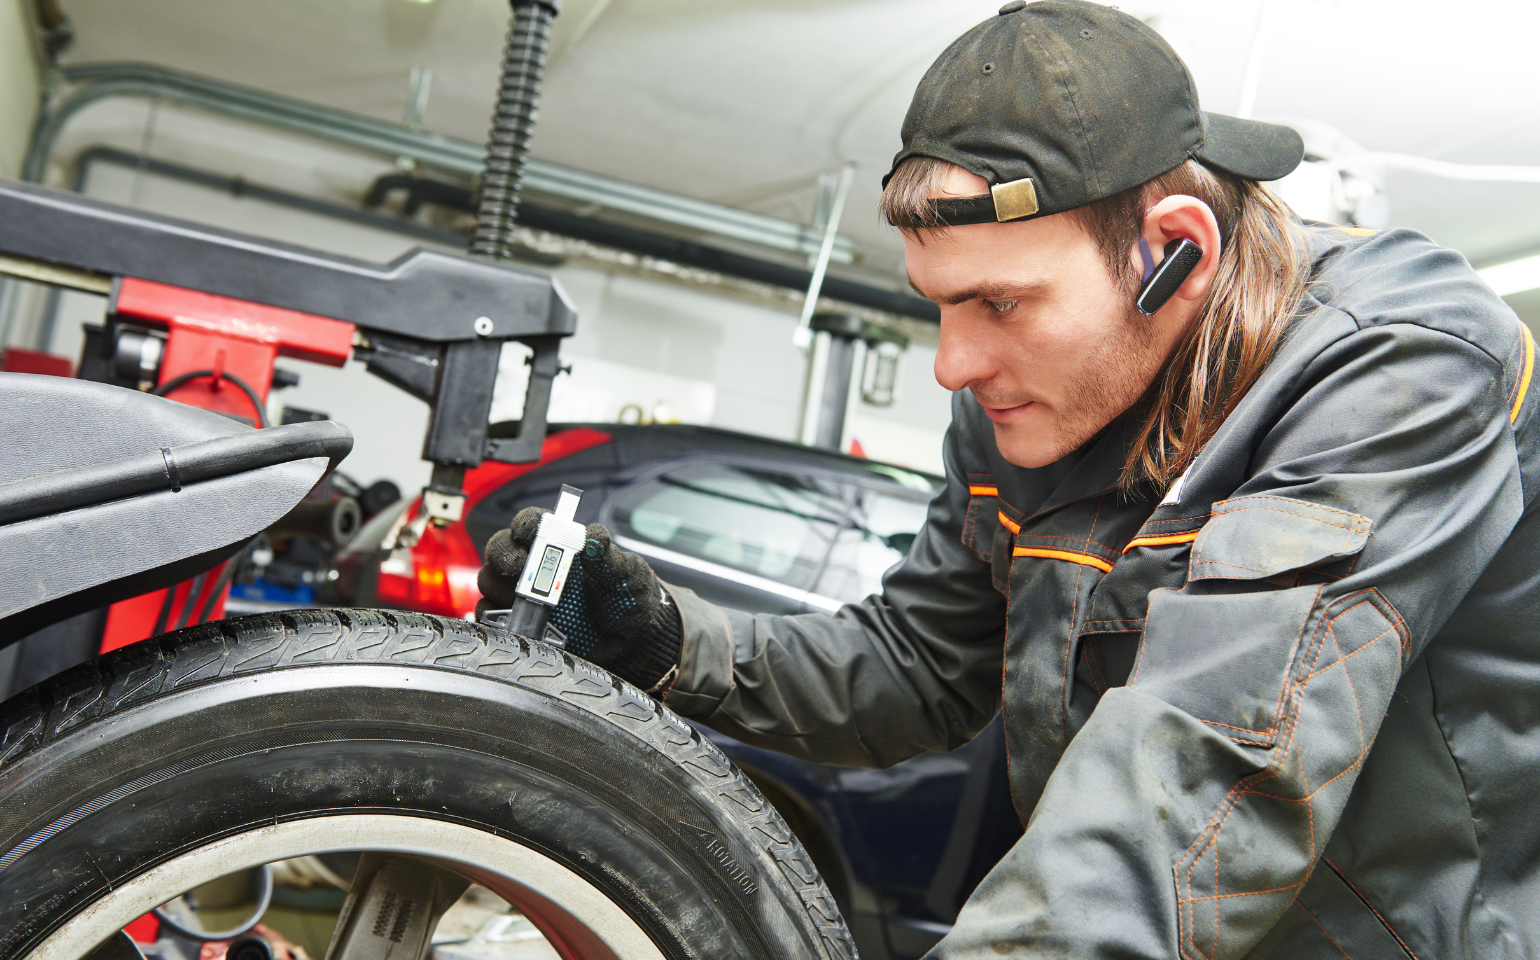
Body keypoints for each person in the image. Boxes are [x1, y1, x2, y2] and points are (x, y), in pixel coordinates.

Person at [478, 2, 1540, 955]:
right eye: (939, 306)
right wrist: (668, 640)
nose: (952, 364)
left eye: (999, 304)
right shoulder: (1034, 403)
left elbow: (1216, 750)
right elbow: (915, 668)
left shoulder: (1401, 366)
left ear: (1174, 254)